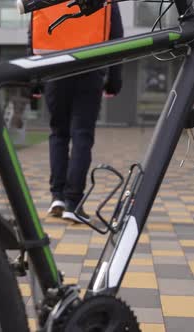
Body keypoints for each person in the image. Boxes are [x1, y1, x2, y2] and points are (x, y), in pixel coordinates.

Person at [28, 2, 124, 223]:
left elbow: (33, 33)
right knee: (82, 135)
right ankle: (73, 202)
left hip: (55, 70)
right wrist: (114, 79)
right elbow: (117, 37)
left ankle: (57, 197)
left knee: (58, 134)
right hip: (90, 70)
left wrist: (34, 79)